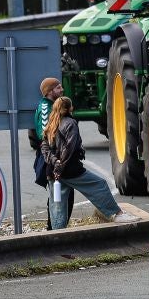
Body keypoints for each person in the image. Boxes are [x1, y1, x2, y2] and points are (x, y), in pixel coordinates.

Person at [42, 96, 129, 228]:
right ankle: (117, 214)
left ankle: (56, 236)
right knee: (99, 185)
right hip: (69, 170)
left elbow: (44, 147)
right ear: (70, 108)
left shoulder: (51, 123)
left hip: (52, 171)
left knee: (58, 207)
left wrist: (54, 163)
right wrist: (59, 167)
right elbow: (69, 149)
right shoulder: (70, 123)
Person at [33, 77, 68, 228]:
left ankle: (56, 228)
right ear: (49, 91)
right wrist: (54, 160)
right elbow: (45, 135)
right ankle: (53, 229)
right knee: (58, 197)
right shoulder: (46, 108)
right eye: (58, 88)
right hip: (50, 157)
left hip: (55, 156)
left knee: (61, 196)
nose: (62, 90)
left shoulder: (53, 105)